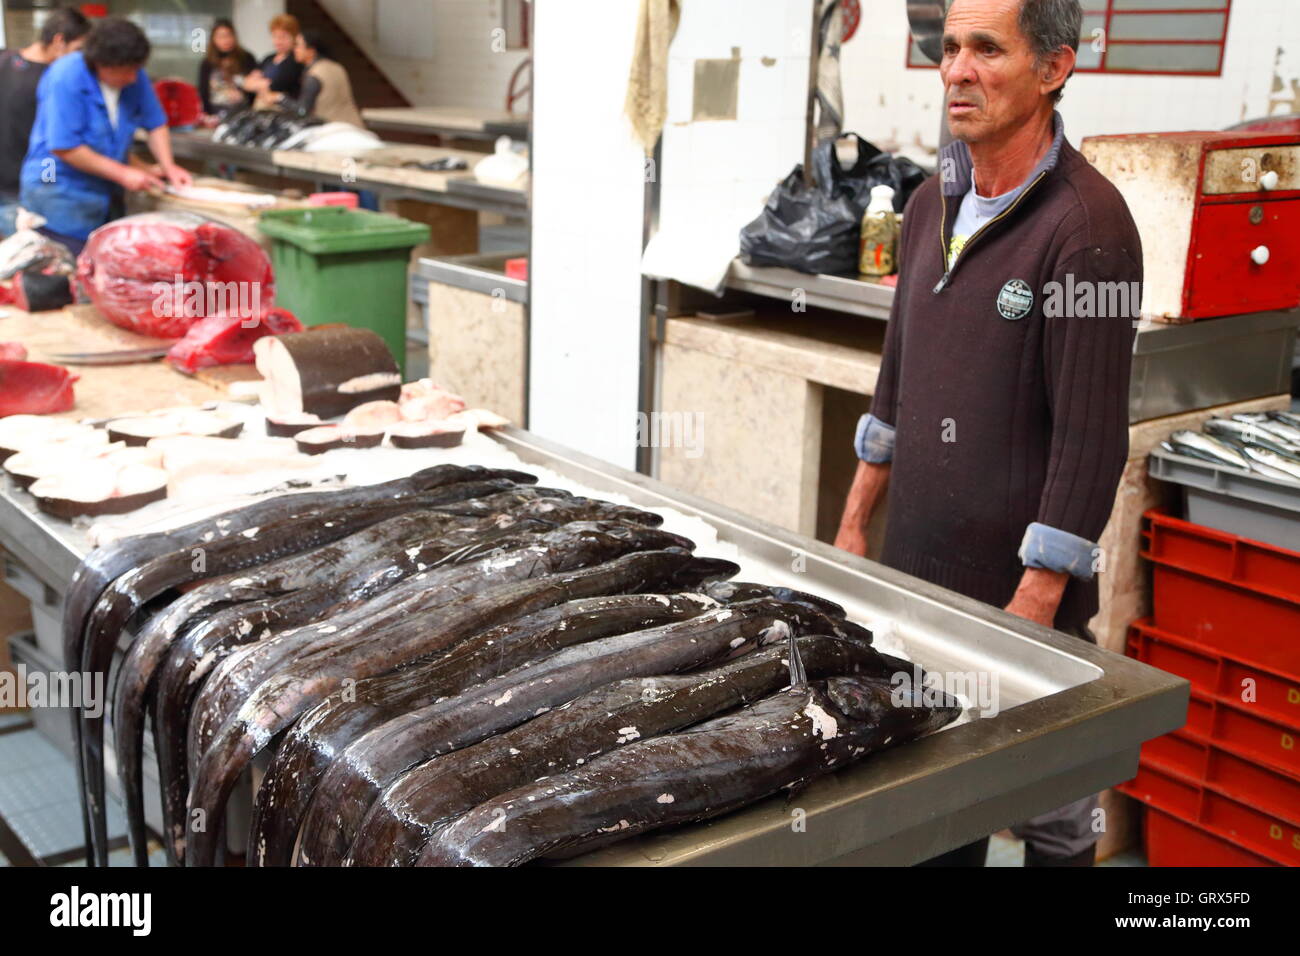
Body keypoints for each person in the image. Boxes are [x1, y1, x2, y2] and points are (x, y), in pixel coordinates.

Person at [834, 0, 1141, 867]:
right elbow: (896, 378)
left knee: (1047, 820)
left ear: (1054, 68)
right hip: (915, 590)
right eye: (951, 47)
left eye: (987, 50)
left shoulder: (1088, 231)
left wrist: (1028, 616)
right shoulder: (934, 198)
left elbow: (1091, 442)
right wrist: (858, 520)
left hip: (1011, 612)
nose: (957, 70)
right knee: (931, 826)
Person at [19, 17, 193, 253]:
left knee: (105, 259)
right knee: (65, 264)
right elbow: (64, 146)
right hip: (57, 185)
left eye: (136, 69)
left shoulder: (134, 74)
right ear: (100, 64)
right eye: (125, 71)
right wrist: (124, 174)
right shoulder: (65, 76)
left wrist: (168, 166)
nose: (133, 78)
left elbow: (155, 123)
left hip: (101, 187)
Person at [0, 7, 91, 235]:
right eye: (78, 49)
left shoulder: (4, 59)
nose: (80, 59)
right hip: (25, 192)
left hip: (10, 187)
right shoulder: (56, 79)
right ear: (59, 41)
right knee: (38, 260)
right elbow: (61, 143)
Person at [290, 29, 364, 127]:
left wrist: (280, 99)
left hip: (331, 132)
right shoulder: (337, 67)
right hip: (354, 127)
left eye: (298, 45)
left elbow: (302, 111)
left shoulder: (314, 74)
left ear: (311, 51)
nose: (295, 49)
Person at [197, 18, 256, 121]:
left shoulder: (246, 58)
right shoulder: (207, 62)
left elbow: (254, 87)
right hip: (216, 114)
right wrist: (207, 114)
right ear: (213, 39)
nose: (225, 40)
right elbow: (203, 91)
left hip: (243, 114)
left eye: (228, 35)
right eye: (220, 36)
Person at [242, 13, 303, 108]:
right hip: (260, 108)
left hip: (282, 110)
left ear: (294, 37)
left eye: (283, 37)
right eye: (275, 36)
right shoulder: (268, 58)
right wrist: (261, 85)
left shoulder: (295, 60)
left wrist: (258, 84)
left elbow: (275, 86)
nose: (278, 41)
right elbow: (246, 83)